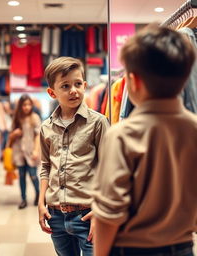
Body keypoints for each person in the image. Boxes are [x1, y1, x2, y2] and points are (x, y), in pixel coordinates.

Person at [92, 23, 197, 256]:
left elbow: (110, 213)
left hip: (132, 248)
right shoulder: (193, 129)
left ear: (134, 81)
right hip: (183, 248)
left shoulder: (122, 135)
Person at [38, 56, 110, 256]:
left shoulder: (98, 122)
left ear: (85, 85)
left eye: (78, 84)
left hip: (88, 214)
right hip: (55, 215)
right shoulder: (46, 127)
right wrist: (40, 202)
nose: (73, 90)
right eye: (65, 86)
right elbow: (45, 166)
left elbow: (109, 168)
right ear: (52, 92)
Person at [9, 94, 41, 209]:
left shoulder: (35, 117)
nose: (26, 107)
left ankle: (39, 194)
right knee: (21, 176)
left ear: (31, 105)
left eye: (28, 104)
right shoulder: (16, 118)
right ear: (20, 106)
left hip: (31, 151)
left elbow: (38, 136)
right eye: (24, 105)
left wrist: (36, 151)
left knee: (33, 175)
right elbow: (10, 136)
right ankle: (23, 199)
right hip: (19, 152)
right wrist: (15, 133)